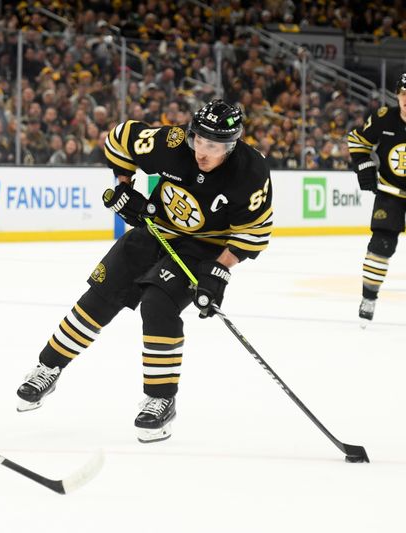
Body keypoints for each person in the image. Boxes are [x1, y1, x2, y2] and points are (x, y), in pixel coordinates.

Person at [15, 100, 273, 443]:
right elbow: (120, 138)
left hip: (205, 246)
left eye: (214, 146)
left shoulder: (250, 170)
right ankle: (48, 367)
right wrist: (125, 185)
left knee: (158, 304)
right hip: (156, 230)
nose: (202, 153)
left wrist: (219, 271)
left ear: (232, 144)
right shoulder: (170, 143)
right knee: (99, 297)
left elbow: (254, 231)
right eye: (199, 141)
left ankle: (161, 398)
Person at [347, 73, 406, 325]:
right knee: (381, 245)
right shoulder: (383, 117)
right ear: (397, 95)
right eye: (403, 93)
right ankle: (369, 297)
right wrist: (365, 165)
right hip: (391, 191)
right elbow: (357, 140)